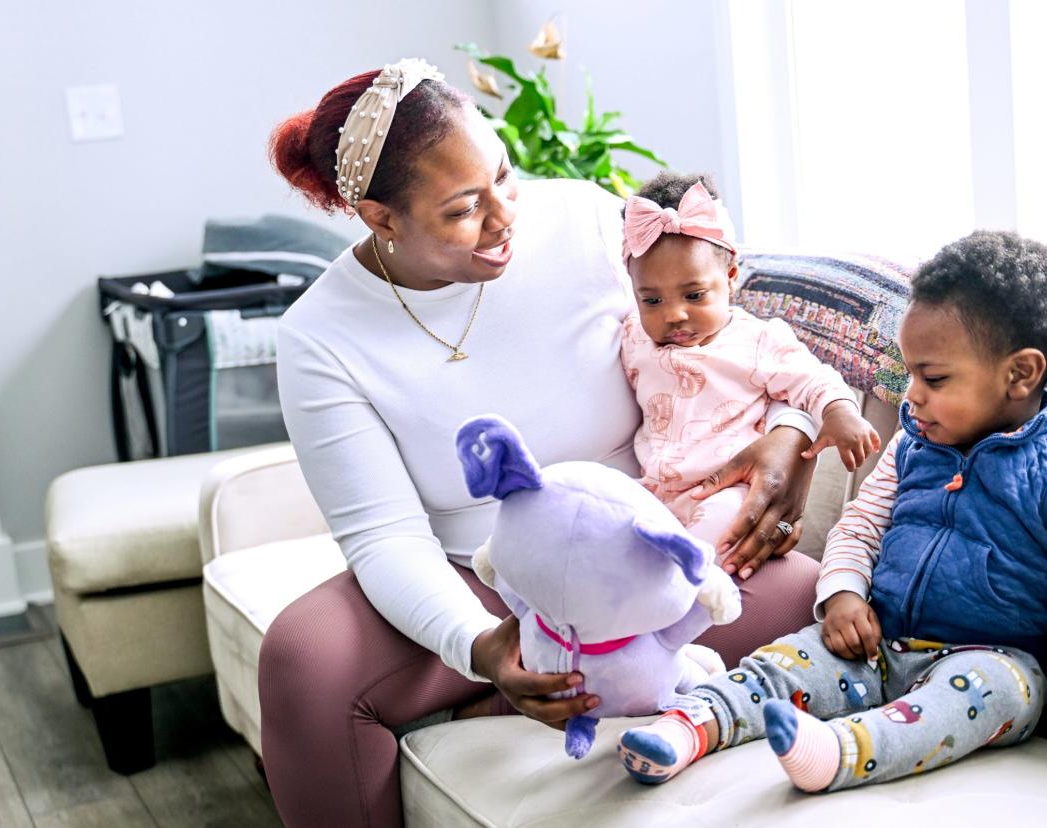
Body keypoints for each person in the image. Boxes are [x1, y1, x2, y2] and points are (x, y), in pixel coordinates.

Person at [260, 59, 827, 827]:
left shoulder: (590, 220)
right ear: (380, 217)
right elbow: (385, 537)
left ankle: (550, 687)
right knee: (306, 660)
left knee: (812, 596)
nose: (505, 219)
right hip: (485, 573)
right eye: (464, 208)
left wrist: (791, 436)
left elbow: (737, 336)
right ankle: (507, 686)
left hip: (649, 550)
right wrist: (481, 646)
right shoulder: (319, 338)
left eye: (504, 176)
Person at [617, 230, 1047, 793]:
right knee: (783, 662)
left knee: (999, 691)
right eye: (910, 373)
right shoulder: (913, 443)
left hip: (985, 660)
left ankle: (840, 752)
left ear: (1020, 374)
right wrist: (842, 593)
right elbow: (861, 525)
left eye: (933, 378)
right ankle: (689, 725)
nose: (910, 396)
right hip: (875, 647)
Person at [619, 172, 881, 578]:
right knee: (608, 521)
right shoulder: (633, 335)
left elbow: (810, 378)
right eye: (651, 299)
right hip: (654, 490)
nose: (674, 314)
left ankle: (688, 592)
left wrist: (840, 410)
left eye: (694, 295)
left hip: (729, 489)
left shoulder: (756, 339)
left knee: (719, 534)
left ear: (730, 279)